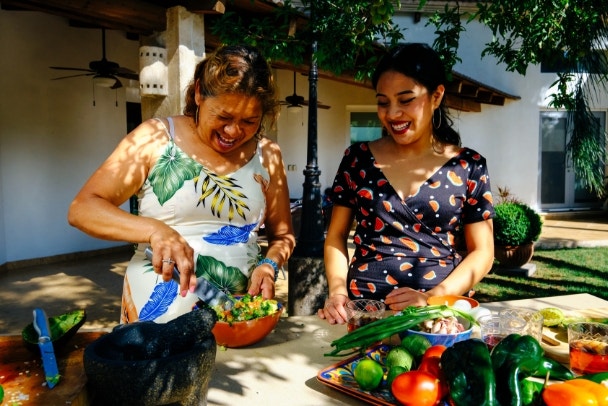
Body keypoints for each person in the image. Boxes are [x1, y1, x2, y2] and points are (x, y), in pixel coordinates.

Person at [68, 45, 295, 324]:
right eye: (223, 117)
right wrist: (154, 231)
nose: (234, 131)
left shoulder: (267, 154)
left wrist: (269, 265)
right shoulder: (155, 137)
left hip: (235, 317)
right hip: (159, 317)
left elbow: (283, 236)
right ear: (199, 93)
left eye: (249, 121)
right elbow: (83, 209)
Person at [318, 43, 495, 325]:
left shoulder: (468, 166)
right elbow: (336, 235)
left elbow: (483, 252)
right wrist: (337, 292)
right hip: (364, 316)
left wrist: (434, 299)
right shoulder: (357, 159)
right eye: (383, 102)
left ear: (436, 96)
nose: (393, 113)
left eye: (406, 99)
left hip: (439, 318)